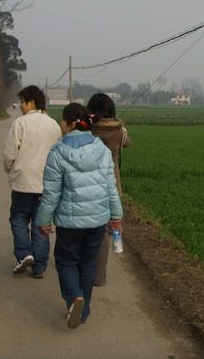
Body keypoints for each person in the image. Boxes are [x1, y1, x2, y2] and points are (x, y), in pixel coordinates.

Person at [36, 103, 123, 329]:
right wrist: (116, 216)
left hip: (70, 223)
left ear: (69, 123)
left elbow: (51, 194)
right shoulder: (102, 150)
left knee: (66, 260)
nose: (60, 124)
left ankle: (74, 297)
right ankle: (83, 311)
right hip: (97, 221)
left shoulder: (58, 152)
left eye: (62, 120)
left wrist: (43, 220)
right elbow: (111, 187)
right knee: (88, 263)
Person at [3, 85, 61, 277]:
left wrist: (9, 169)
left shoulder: (20, 123)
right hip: (46, 184)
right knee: (41, 223)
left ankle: (24, 254)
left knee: (18, 218)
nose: (20, 105)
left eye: (22, 102)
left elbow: (10, 153)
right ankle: (39, 266)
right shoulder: (53, 125)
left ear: (32, 102)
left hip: (23, 182)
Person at [87, 93, 131, 286]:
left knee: (84, 227)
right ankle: (98, 276)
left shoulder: (88, 129)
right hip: (111, 184)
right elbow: (127, 144)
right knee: (104, 231)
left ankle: (83, 269)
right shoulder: (120, 131)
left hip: (88, 183)